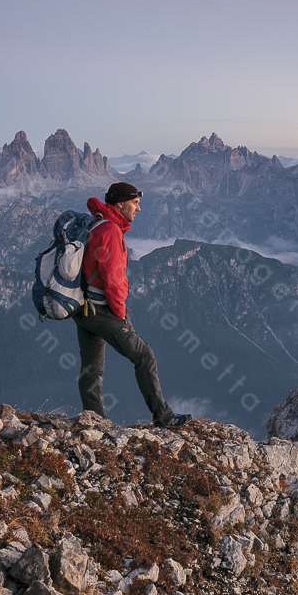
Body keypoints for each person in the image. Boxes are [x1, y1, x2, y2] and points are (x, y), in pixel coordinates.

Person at [73, 181, 190, 428]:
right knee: (144, 356)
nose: (139, 209)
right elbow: (113, 279)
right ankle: (164, 416)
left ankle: (94, 421)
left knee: (91, 368)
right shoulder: (111, 231)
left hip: (83, 308)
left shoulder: (98, 222)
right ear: (120, 204)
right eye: (135, 203)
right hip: (102, 309)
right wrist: (120, 313)